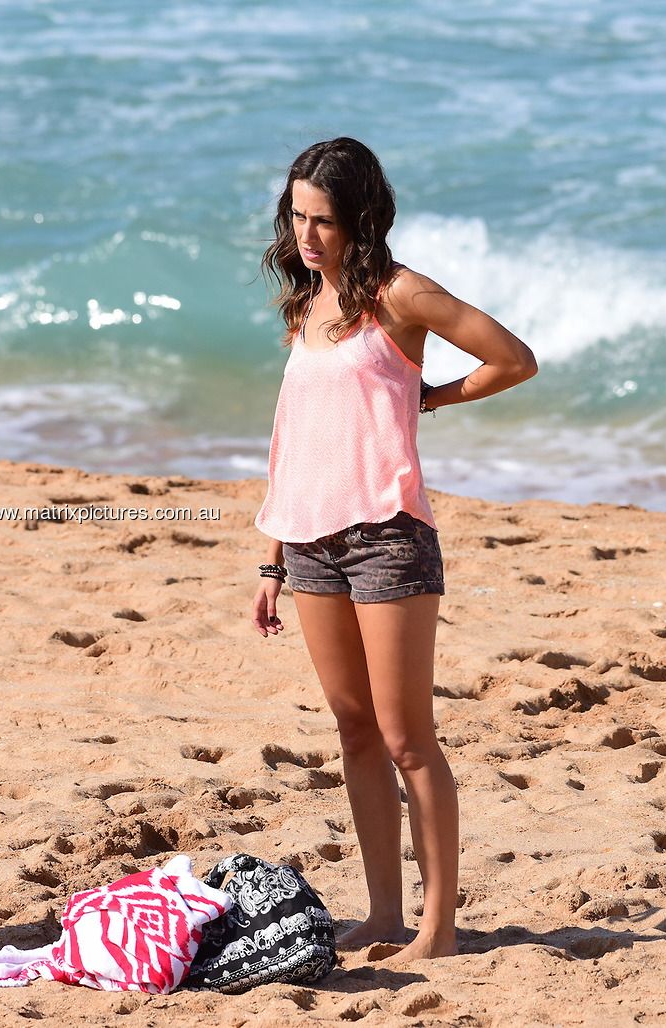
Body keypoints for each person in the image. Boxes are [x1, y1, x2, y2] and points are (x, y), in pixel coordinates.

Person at [250, 138, 537, 962]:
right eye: (297, 217)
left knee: (408, 738)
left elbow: (512, 359)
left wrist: (428, 397)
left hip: (387, 539)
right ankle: (382, 915)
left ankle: (437, 929)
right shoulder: (308, 301)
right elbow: (292, 440)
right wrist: (271, 558)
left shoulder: (399, 294)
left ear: (360, 217)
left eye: (323, 220)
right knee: (354, 729)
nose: (307, 235)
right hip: (309, 541)